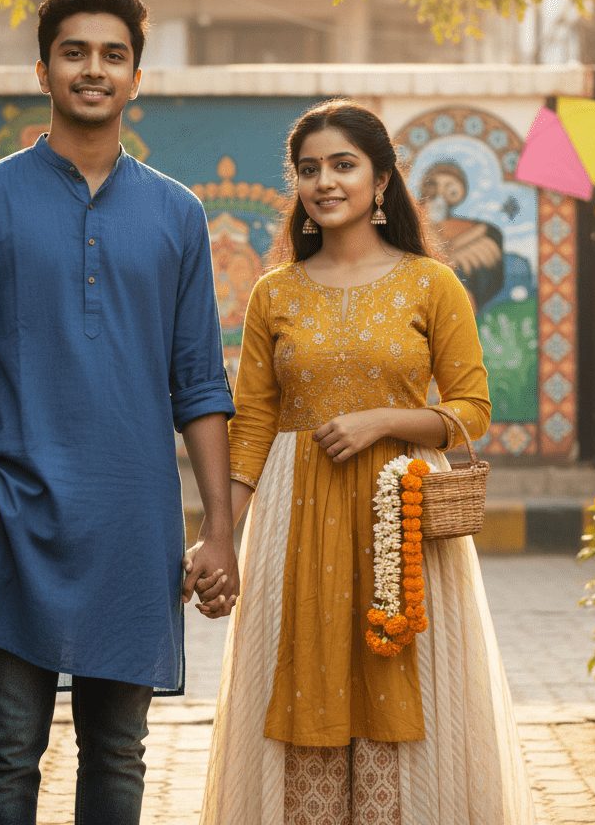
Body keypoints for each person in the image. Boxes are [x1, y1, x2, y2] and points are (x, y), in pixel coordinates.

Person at [0, 0, 239, 825]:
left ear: (137, 76)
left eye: (113, 55)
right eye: (75, 52)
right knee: (8, 749)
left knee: (118, 753)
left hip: (134, 521)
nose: (93, 69)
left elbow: (200, 382)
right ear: (43, 68)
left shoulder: (177, 215)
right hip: (17, 514)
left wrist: (218, 529)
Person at [197, 99, 534, 824]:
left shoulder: (431, 284)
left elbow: (472, 409)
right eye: (310, 168)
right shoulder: (273, 292)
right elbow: (251, 421)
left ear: (382, 180)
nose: (325, 181)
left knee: (401, 687)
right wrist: (222, 533)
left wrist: (384, 420)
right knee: (303, 686)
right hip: (295, 516)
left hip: (402, 513)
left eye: (343, 165)